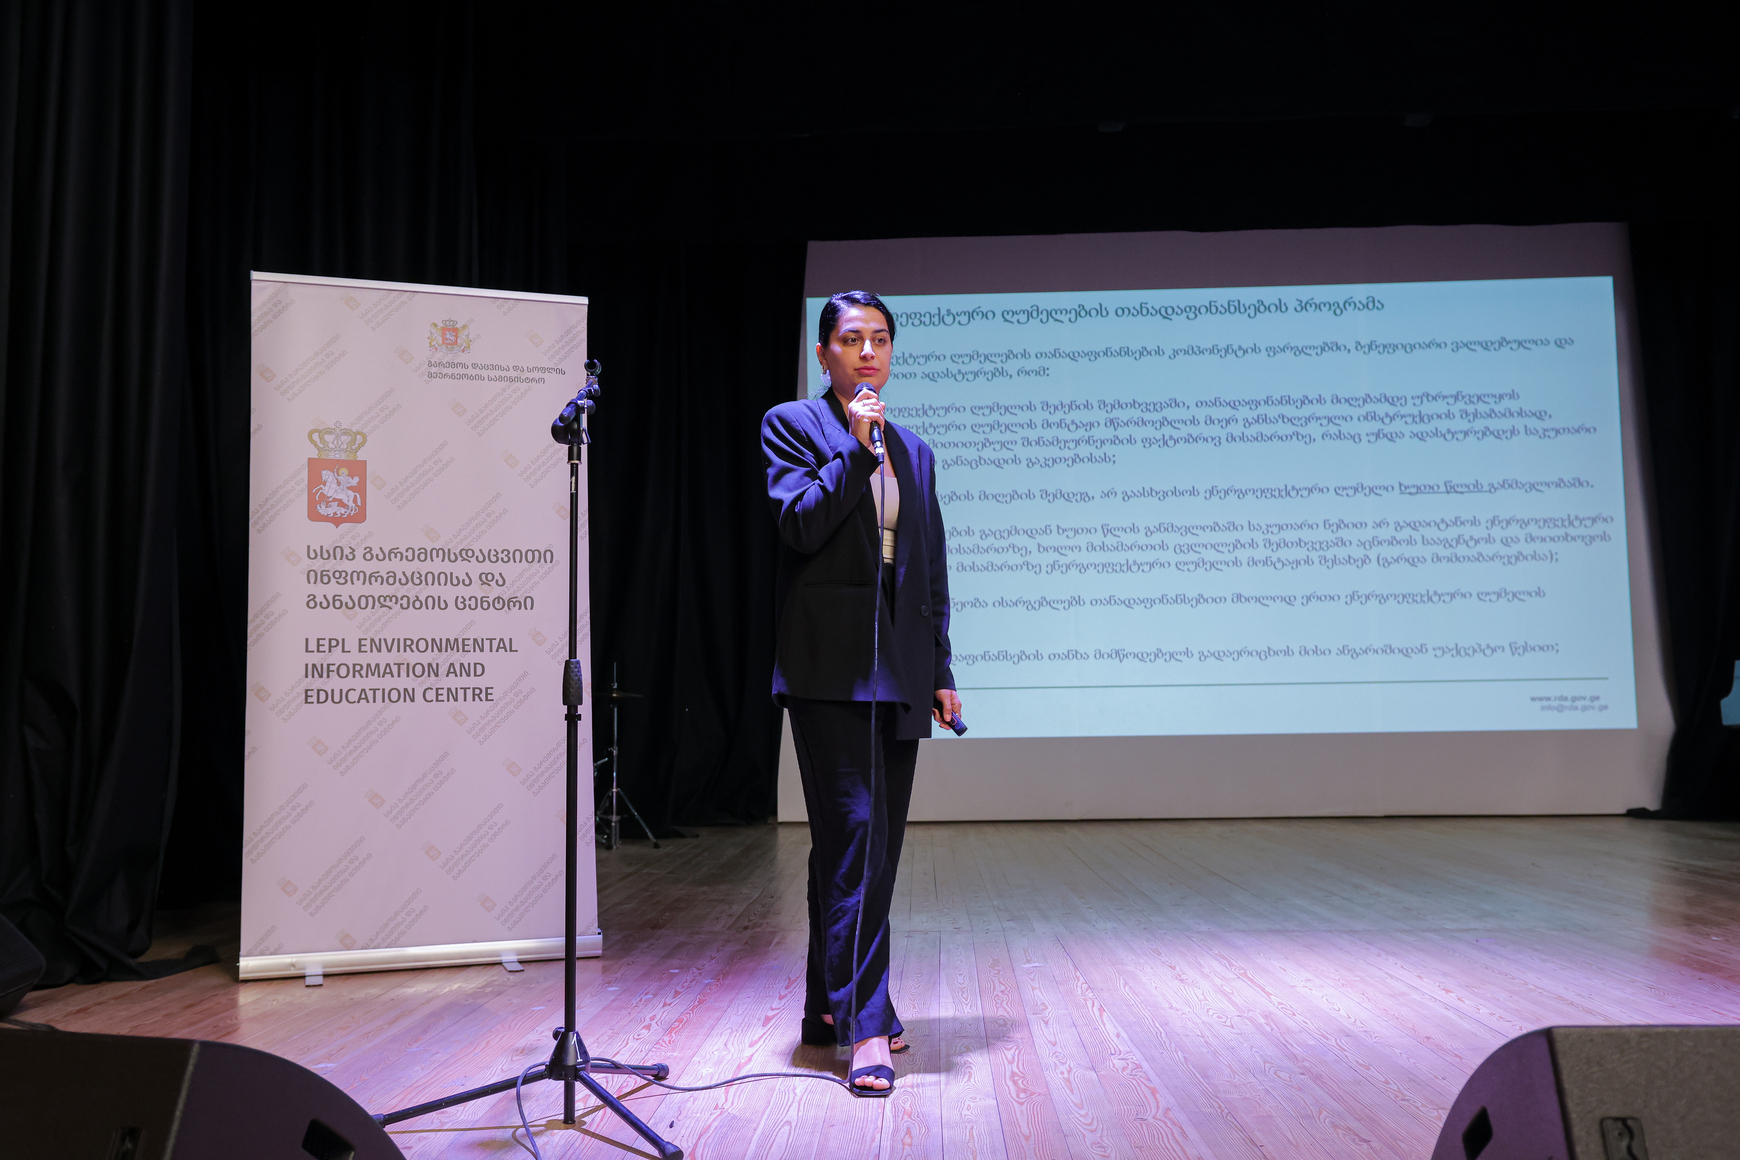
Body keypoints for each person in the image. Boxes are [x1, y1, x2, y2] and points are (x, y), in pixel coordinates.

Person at [761, 290, 961, 1096]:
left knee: (866, 848)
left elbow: (929, 568)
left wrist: (942, 671)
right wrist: (852, 447)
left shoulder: (914, 450)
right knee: (856, 843)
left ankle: (827, 1007)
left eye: (880, 338)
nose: (868, 351)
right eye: (852, 339)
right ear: (824, 354)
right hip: (829, 673)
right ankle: (867, 1026)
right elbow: (800, 526)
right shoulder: (793, 425)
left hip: (900, 672)